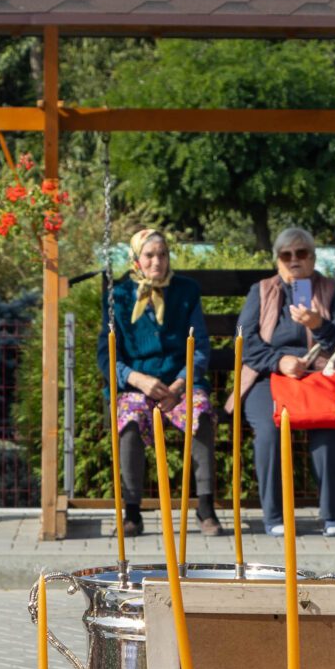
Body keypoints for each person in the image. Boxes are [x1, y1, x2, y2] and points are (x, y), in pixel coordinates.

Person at [238, 226, 335, 538]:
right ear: (277, 260)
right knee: (269, 431)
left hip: (320, 375)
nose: (294, 260)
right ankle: (274, 515)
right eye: (286, 255)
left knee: (330, 426)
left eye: (302, 253)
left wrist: (320, 325)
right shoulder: (262, 291)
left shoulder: (332, 291)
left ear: (313, 258)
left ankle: (332, 514)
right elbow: (246, 341)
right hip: (269, 376)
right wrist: (279, 361)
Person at [103, 228, 213, 540]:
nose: (157, 262)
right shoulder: (118, 295)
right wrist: (136, 378)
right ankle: (132, 512)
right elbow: (105, 353)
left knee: (200, 412)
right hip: (138, 385)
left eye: (162, 254)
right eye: (149, 255)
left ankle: (206, 507)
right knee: (130, 419)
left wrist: (179, 386)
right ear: (136, 259)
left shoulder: (186, 291)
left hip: (179, 383)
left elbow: (200, 347)